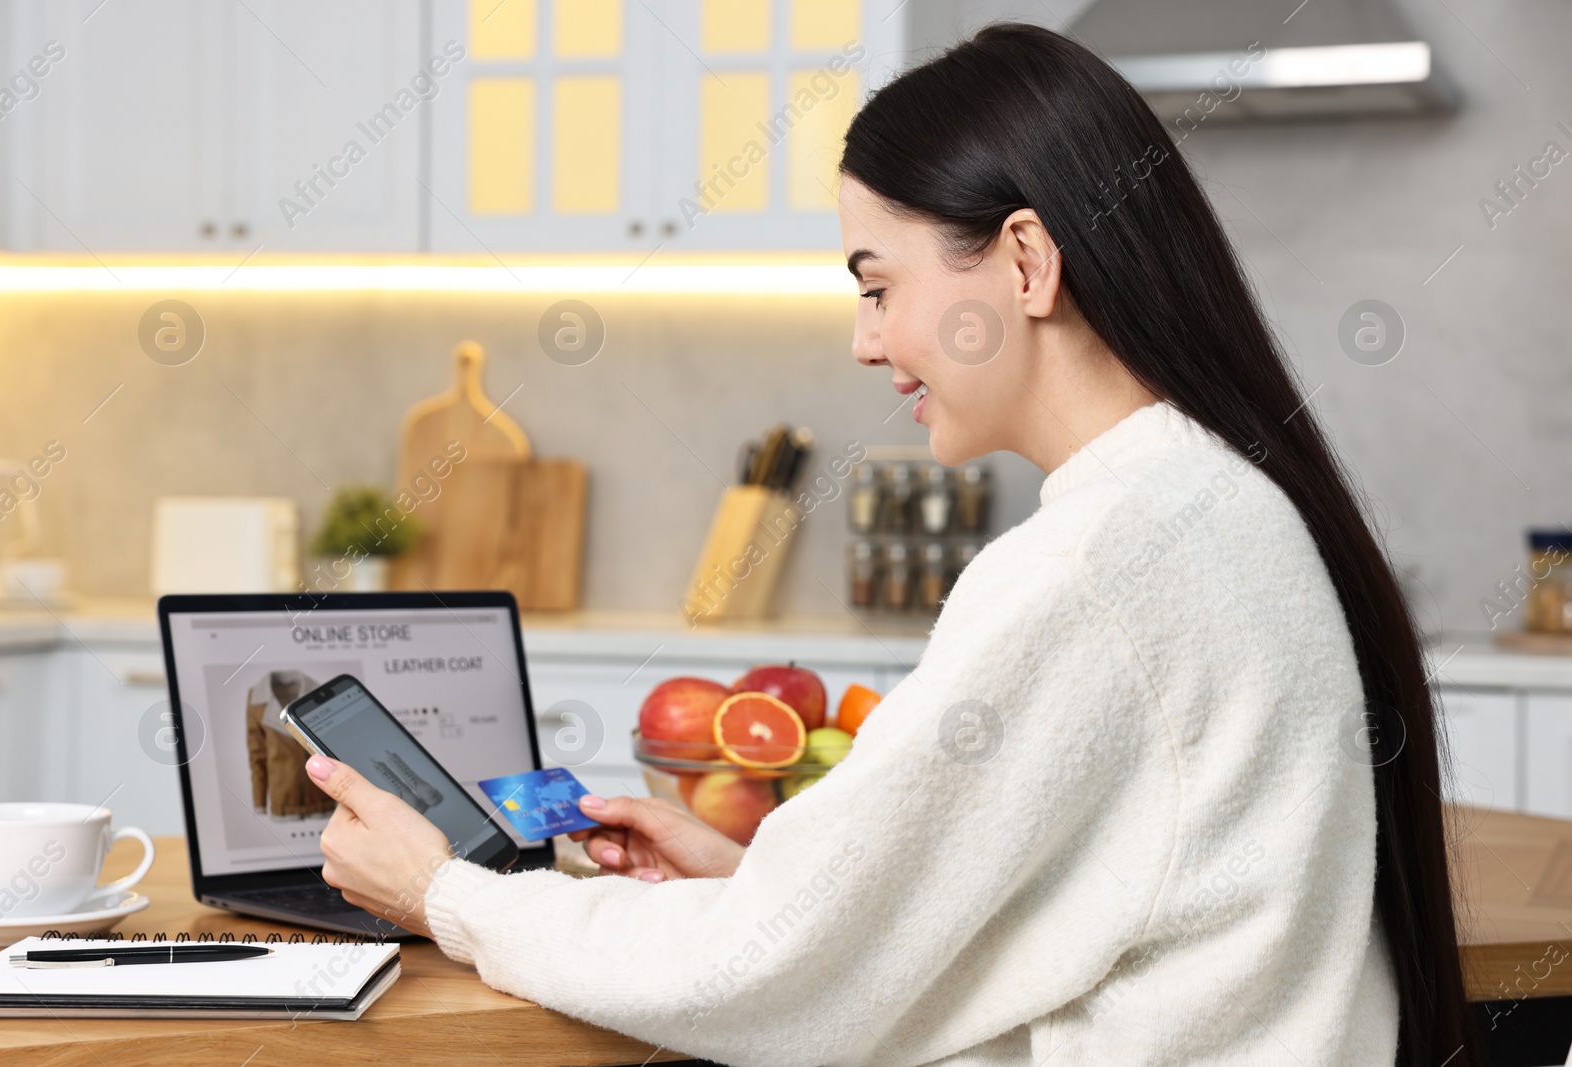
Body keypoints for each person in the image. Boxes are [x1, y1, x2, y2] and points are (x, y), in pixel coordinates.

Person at [307, 24, 1474, 1067]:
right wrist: (753, 881)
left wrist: (445, 892)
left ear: (1023, 263)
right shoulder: (1215, 500)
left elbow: (766, 976)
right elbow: (1055, 922)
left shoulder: (1089, 568)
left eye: (878, 285)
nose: (866, 342)